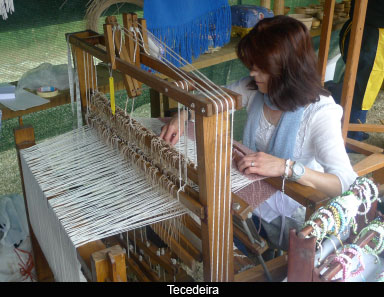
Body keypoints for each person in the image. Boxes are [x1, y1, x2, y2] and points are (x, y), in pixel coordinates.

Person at [160, 15, 358, 250]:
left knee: (217, 240)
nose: (253, 72)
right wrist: (183, 115)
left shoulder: (320, 112)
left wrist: (286, 167)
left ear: (286, 69)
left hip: (289, 211)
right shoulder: (254, 89)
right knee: (196, 214)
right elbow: (210, 102)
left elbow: (345, 182)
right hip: (248, 194)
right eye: (252, 65)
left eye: (261, 67)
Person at [327, 0, 384, 142]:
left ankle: (352, 129)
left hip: (361, 26)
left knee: (357, 82)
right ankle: (352, 135)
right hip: (372, 33)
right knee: (363, 87)